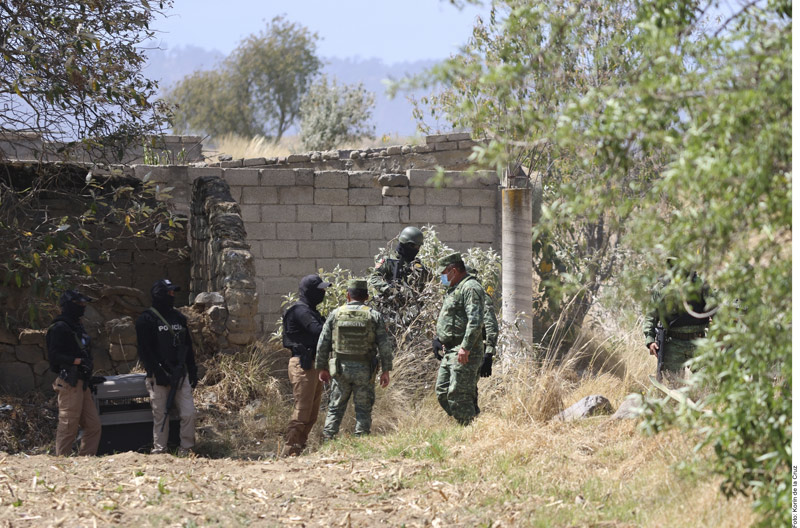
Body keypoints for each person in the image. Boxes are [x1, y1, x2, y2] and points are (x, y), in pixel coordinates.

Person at [316, 279, 393, 440]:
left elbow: (323, 343)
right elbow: (384, 346)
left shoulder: (335, 314)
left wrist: (321, 367)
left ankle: (328, 440)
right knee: (363, 409)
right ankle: (361, 442)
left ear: (347, 296)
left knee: (335, 407)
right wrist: (386, 370)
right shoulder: (374, 316)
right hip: (365, 370)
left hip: (340, 369)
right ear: (366, 297)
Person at [135, 279, 198, 455]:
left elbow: (187, 346)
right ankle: (160, 451)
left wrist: (192, 370)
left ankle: (186, 449)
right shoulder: (146, 319)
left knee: (188, 414)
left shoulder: (178, 318)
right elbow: (145, 351)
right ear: (159, 295)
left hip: (180, 374)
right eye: (169, 293)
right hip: (158, 377)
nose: (172, 296)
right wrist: (158, 372)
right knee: (161, 416)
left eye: (173, 293)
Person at [281, 274, 331, 457]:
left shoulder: (309, 310)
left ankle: (298, 450)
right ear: (310, 291)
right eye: (320, 290)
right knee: (302, 413)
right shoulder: (300, 311)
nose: (323, 293)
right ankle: (288, 451)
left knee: (311, 415)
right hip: (303, 366)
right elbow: (318, 331)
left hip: (313, 364)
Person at [47, 289, 102, 456]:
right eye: (79, 304)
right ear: (69, 305)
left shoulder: (77, 326)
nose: (83, 307)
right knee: (69, 425)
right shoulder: (59, 327)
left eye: (84, 304)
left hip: (82, 382)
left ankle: (86, 460)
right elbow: (54, 357)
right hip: (70, 382)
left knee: (93, 426)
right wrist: (75, 361)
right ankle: (61, 460)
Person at [434, 253, 485, 425]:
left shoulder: (470, 287)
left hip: (464, 350)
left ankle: (469, 428)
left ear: (453, 271)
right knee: (442, 391)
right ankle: (469, 421)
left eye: (443, 273)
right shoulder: (455, 288)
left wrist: (466, 347)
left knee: (459, 393)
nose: (442, 277)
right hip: (450, 350)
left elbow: (476, 320)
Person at [643, 261, 713, 379]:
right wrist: (650, 340)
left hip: (698, 342)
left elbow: (715, 309)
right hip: (673, 344)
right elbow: (651, 316)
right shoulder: (662, 287)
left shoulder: (701, 285)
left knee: (707, 382)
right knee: (674, 387)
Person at [369, 226, 429, 295]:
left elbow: (427, 281)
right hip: (390, 303)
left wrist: (421, 271)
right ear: (407, 244)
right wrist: (388, 289)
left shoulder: (416, 264)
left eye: (419, 247)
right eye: (415, 246)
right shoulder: (389, 261)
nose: (417, 249)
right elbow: (374, 278)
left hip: (412, 303)